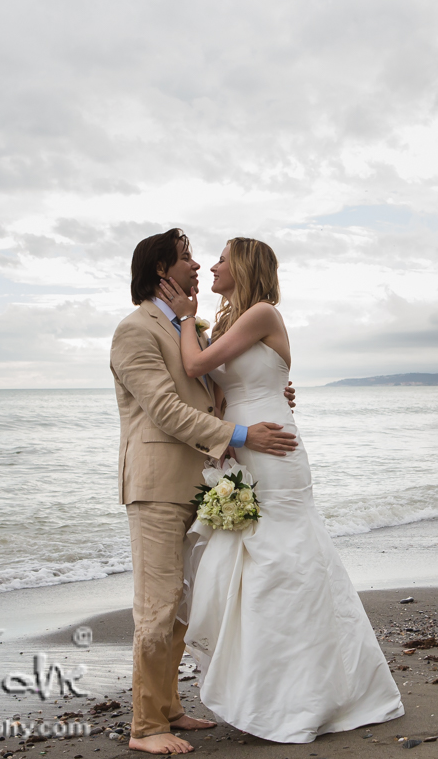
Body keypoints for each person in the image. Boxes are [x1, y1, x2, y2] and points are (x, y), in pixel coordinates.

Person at [156, 237, 404, 744]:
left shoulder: (263, 312)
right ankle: (267, 687)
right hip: (243, 445)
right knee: (252, 563)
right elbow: (220, 388)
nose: (214, 265)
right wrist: (223, 433)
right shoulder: (230, 323)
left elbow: (197, 367)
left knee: (283, 562)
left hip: (273, 450)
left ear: (244, 266)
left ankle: (307, 694)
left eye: (223, 257)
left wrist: (185, 318)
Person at [109, 228, 299, 755]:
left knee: (182, 605)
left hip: (201, 484)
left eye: (199, 258)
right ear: (161, 272)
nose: (197, 266)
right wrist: (242, 433)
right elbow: (167, 411)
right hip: (156, 486)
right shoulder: (134, 331)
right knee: (156, 605)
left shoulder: (189, 326)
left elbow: (215, 393)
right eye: (187, 258)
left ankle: (168, 707)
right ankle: (145, 728)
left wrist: (266, 392)